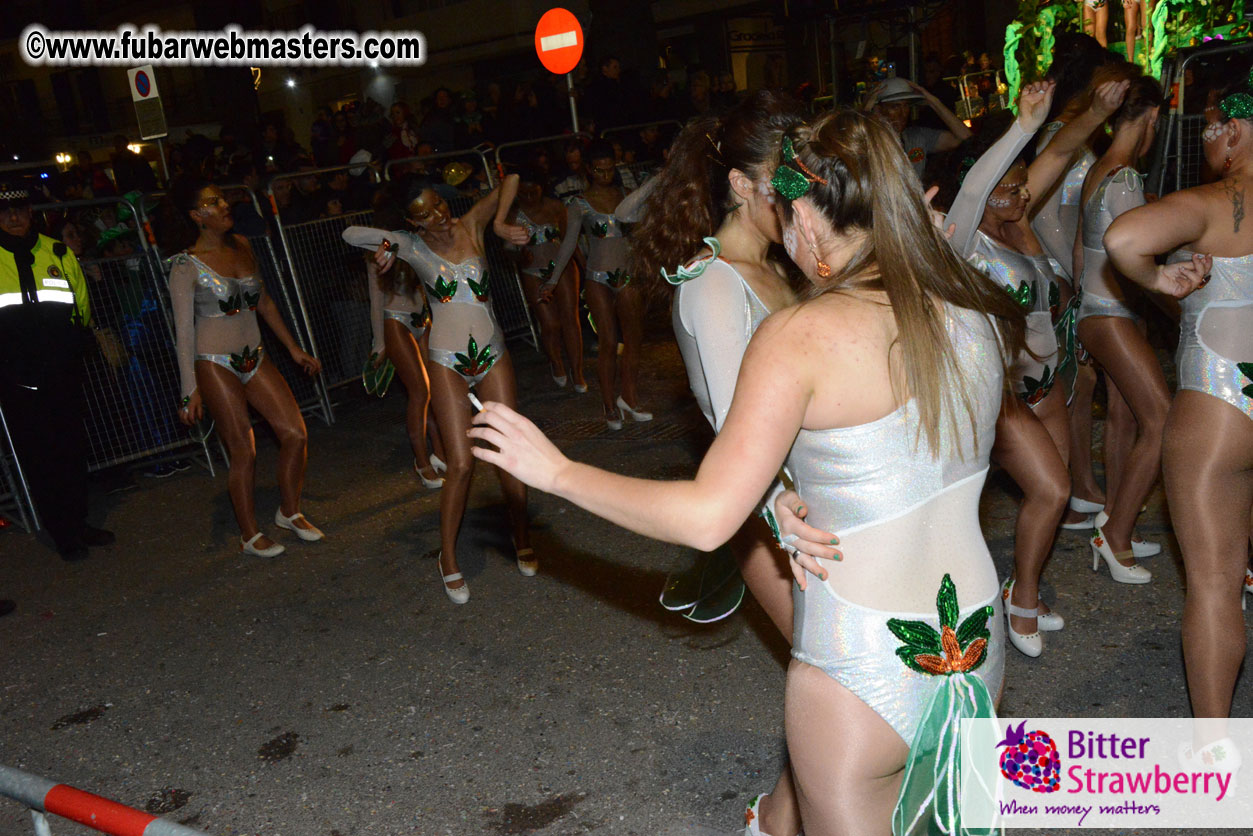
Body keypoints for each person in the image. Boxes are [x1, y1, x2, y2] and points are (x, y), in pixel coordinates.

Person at [467, 106, 1026, 834]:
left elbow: (707, 517)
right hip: (979, 641)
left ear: (804, 211)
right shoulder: (970, 307)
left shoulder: (798, 335)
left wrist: (558, 472)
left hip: (860, 659)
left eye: (782, 210)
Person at [628, 90, 806, 836]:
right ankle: (776, 820)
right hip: (775, 517)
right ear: (740, 184)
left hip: (829, 499)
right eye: (788, 178)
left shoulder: (788, 262)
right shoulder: (709, 283)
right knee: (841, 678)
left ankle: (778, 818)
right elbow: (736, 428)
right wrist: (787, 516)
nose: (805, 193)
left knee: (846, 681)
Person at [941, 80, 1128, 655]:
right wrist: (1021, 126)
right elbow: (976, 188)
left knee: (1053, 490)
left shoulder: (1015, 227)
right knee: (1050, 491)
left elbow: (1056, 156)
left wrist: (1096, 110)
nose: (1025, 194)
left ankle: (1026, 588)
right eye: (1013, 187)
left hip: (1047, 385)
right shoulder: (963, 236)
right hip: (997, 393)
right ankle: (1018, 600)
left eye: (1025, 186)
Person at [1104, 66, 1253, 768]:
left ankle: (1212, 747)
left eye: (1219, 126)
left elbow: (1124, 238)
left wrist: (1157, 276)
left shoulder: (1218, 202)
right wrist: (1180, 296)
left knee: (1216, 580)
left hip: (1221, 408)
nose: (1211, 138)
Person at [342, 175, 535, 604]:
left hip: (493, 353)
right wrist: (388, 243)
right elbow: (349, 233)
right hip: (447, 361)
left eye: (438, 205)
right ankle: (447, 558)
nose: (438, 215)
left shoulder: (470, 226)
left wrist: (501, 222)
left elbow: (510, 180)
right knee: (462, 464)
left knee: (510, 451)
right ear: (413, 222)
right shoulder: (411, 245)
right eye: (425, 213)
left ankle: (522, 537)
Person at [165, 178, 325, 557]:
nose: (224, 205)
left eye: (222, 199)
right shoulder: (184, 266)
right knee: (244, 450)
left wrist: (293, 348)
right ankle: (249, 534)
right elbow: (184, 333)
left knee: (295, 433)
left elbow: (265, 303)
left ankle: (289, 511)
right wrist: (190, 389)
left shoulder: (244, 245)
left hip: (256, 355)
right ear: (196, 216)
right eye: (213, 201)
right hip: (213, 362)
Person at [1076, 75, 1169, 584]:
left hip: (1093, 309)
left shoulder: (1095, 171)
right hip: (1112, 312)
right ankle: (1114, 536)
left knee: (1123, 415)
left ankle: (1115, 519)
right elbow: (1141, 255)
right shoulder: (1127, 179)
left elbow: (1078, 251)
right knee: (1162, 419)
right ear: (1152, 117)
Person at [1029, 38, 1122, 534]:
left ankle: (1077, 484)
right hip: (1055, 274)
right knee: (1070, 385)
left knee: (1078, 384)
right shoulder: (1061, 135)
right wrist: (1070, 278)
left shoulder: (1075, 135)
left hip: (1066, 272)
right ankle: (1071, 487)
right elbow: (1046, 215)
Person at [0, 183, 116, 561]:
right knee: (39, 456)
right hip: (17, 378)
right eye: (3, 211)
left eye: (18, 208)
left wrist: (71, 350)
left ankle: (79, 521)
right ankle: (62, 531)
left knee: (71, 449)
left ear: (30, 211)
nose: (12, 217)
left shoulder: (59, 252)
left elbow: (81, 308)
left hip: (62, 371)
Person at [550, 142, 651, 430]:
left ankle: (629, 399)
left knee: (633, 341)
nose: (605, 175)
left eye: (610, 169)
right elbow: (569, 243)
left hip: (627, 274)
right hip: (597, 277)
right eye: (599, 170)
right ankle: (608, 405)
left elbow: (640, 237)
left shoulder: (625, 197)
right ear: (589, 170)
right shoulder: (579, 203)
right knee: (608, 342)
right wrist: (553, 279)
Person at [365, 186, 445, 489]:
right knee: (420, 391)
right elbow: (375, 299)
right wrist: (379, 343)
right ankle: (422, 462)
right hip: (395, 321)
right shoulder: (377, 252)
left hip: (422, 318)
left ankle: (439, 452)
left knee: (435, 388)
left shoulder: (416, 244)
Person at [503, 168, 587, 393]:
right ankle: (556, 362)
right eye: (524, 191)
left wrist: (585, 266)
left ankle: (577, 371)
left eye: (534, 190)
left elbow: (571, 239)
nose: (530, 195)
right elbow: (508, 251)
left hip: (563, 267)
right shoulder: (513, 216)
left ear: (542, 188)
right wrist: (520, 255)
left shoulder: (555, 207)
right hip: (533, 271)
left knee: (571, 319)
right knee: (550, 323)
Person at [864, 76, 972, 182]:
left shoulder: (917, 136)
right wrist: (866, 112)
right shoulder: (870, 142)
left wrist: (934, 102)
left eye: (906, 106)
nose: (903, 113)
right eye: (895, 107)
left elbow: (966, 138)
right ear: (879, 110)